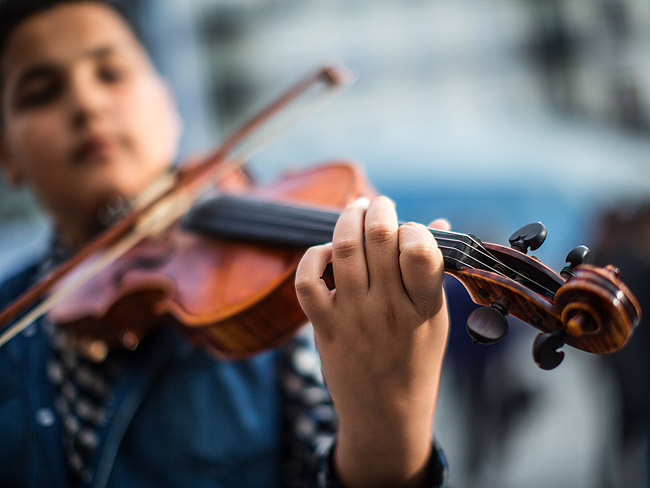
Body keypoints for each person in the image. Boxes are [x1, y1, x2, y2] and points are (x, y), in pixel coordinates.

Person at [0, 1, 450, 487]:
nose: (87, 104)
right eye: (42, 93)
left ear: (168, 105)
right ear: (7, 155)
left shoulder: (275, 286)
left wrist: (386, 428)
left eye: (111, 73)